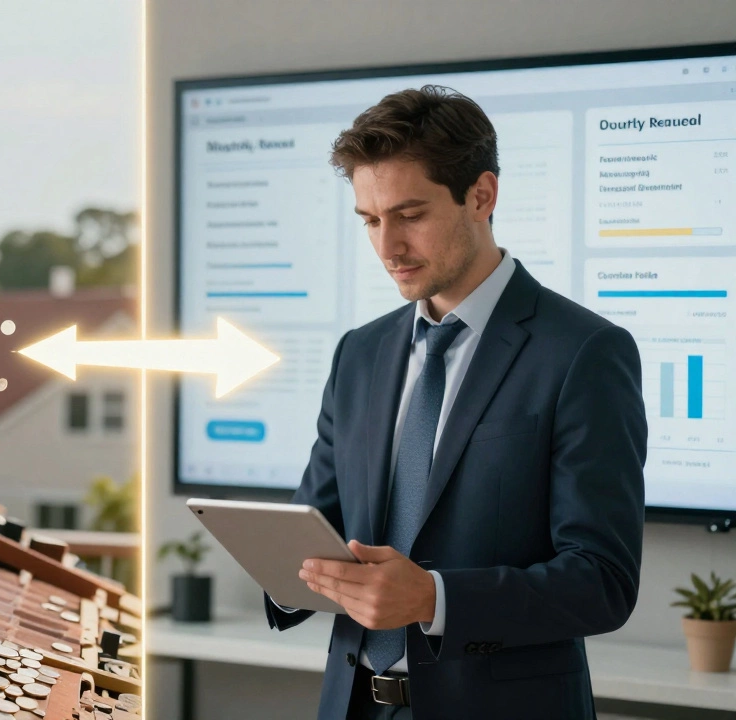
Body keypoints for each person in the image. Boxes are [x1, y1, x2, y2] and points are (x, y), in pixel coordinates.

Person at [265, 86, 648, 719]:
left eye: (409, 214)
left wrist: (433, 599)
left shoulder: (584, 352)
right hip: (354, 705)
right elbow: (321, 523)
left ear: (481, 196)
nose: (387, 247)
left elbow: (602, 581)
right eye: (370, 220)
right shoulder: (358, 354)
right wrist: (284, 575)